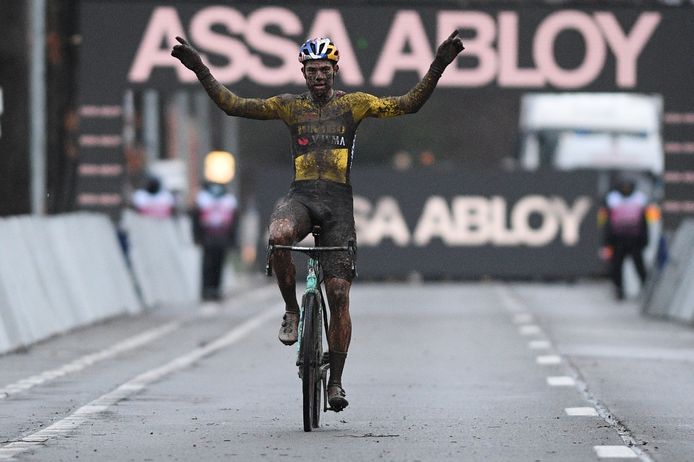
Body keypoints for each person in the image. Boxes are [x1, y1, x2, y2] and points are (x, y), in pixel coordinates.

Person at [172, 32, 464, 411]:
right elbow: (233, 105)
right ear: (304, 72)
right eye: (312, 70)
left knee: (339, 295)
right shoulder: (290, 105)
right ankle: (292, 310)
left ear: (335, 70)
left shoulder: (355, 104)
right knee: (278, 235)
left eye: (325, 70)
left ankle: (336, 383)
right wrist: (199, 68)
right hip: (302, 197)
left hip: (338, 204)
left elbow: (407, 104)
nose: (319, 76)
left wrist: (439, 63)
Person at [603, 178, 649, 300]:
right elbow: (608, 223)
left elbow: (644, 222)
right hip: (618, 240)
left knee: (639, 266)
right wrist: (607, 242)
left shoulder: (639, 199)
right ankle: (619, 290)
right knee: (616, 267)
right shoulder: (613, 200)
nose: (626, 190)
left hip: (634, 239)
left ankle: (646, 291)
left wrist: (644, 239)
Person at [192, 182, 238, 301]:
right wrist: (197, 237)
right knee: (207, 264)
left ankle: (216, 290)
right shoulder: (203, 199)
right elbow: (196, 220)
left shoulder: (229, 201)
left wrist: (232, 239)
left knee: (219, 264)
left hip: (222, 237)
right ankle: (206, 289)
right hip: (207, 237)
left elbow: (234, 222)